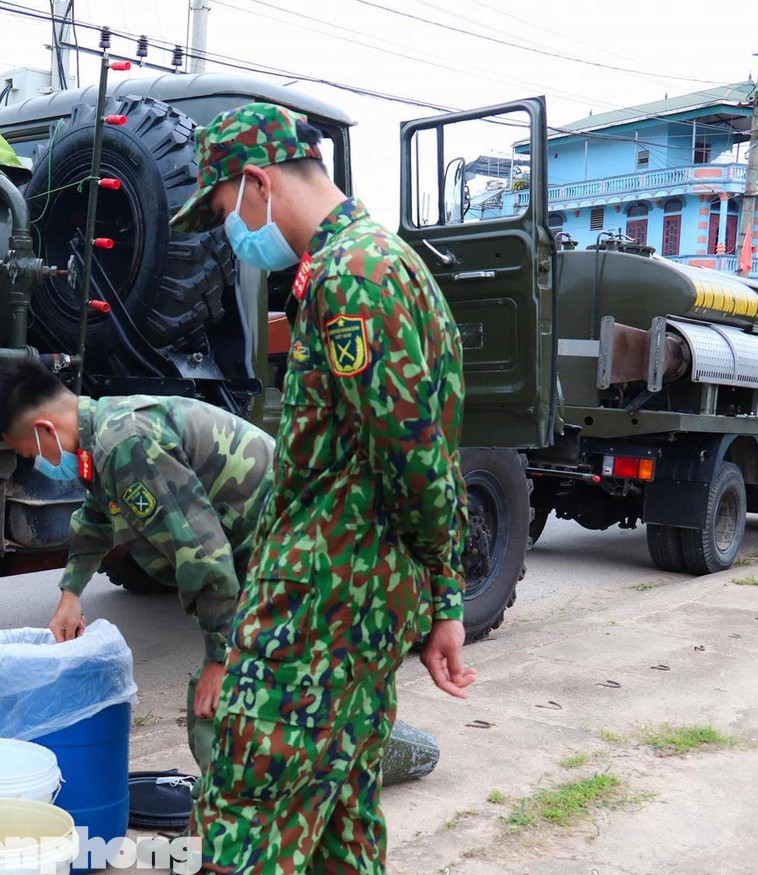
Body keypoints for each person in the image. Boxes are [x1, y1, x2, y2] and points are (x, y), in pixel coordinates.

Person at [169, 102, 476, 873]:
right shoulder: (383, 263)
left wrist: (441, 595)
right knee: (340, 824)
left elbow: (416, 465)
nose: (229, 233)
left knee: (246, 820)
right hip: (355, 611)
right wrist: (438, 598)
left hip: (318, 613)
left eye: (221, 210)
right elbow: (429, 452)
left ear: (256, 183)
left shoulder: (353, 278)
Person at [0, 361, 272, 773]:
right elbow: (97, 515)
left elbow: (203, 556)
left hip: (292, 549)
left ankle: (239, 818)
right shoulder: (103, 431)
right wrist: (71, 593)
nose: (39, 463)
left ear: (44, 429)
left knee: (217, 707)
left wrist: (220, 658)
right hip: (261, 544)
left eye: (29, 454)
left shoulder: (126, 444)